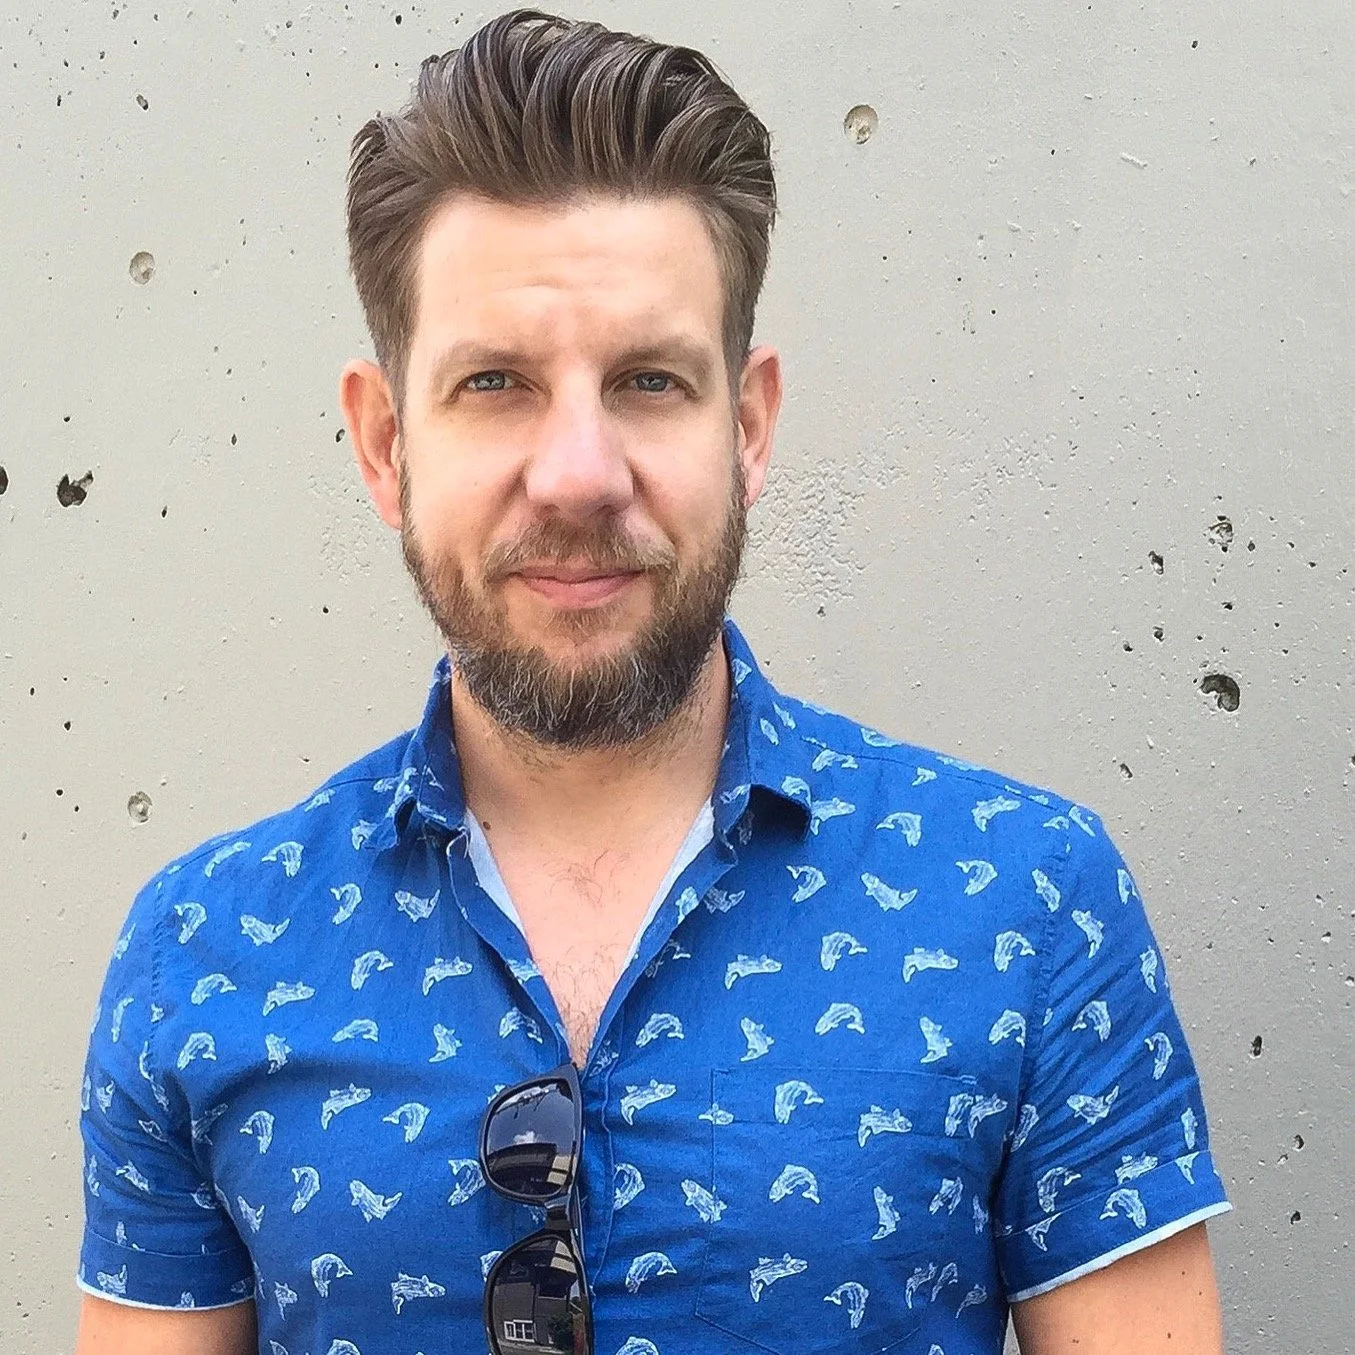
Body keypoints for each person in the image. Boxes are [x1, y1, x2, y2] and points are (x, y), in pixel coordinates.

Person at [72, 9, 1231, 1354]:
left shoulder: (1027, 902)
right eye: (495, 381)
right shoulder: (205, 951)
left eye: (647, 380)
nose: (576, 469)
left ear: (745, 426)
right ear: (385, 441)